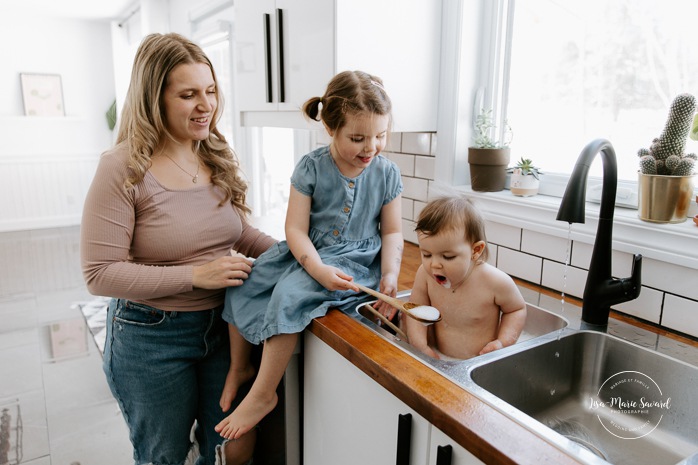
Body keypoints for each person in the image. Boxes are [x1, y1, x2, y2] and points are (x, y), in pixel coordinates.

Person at [80, 32, 276, 465]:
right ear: (156, 99)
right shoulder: (122, 167)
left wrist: (303, 257)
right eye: (188, 94)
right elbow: (99, 274)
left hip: (224, 328)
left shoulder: (211, 154)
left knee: (223, 449)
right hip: (150, 337)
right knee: (164, 457)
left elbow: (239, 234)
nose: (206, 105)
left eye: (210, 91)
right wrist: (194, 276)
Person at [215, 70, 404, 440]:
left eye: (380, 136)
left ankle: (264, 394)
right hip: (309, 255)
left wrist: (391, 274)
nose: (370, 148)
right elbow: (295, 230)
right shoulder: (311, 167)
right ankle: (240, 368)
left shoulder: (387, 173)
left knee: (289, 297)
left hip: (355, 262)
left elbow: (393, 231)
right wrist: (315, 268)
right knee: (242, 283)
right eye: (357, 138)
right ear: (330, 128)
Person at [404, 195, 527, 360]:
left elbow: (516, 310)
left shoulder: (494, 282)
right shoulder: (425, 275)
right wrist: (420, 346)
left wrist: (502, 343)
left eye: (447, 257)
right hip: (441, 358)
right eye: (426, 254)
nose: (434, 265)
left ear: (475, 251)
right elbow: (415, 312)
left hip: (481, 362)